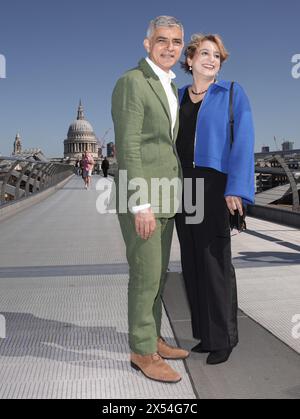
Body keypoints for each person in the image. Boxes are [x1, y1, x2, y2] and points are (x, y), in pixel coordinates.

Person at [111, 16, 189, 383]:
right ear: (147, 44)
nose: (170, 47)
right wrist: (140, 203)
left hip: (167, 195)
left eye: (176, 41)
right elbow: (128, 148)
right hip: (144, 197)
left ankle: (153, 337)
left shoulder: (170, 87)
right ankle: (143, 352)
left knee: (158, 274)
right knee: (144, 275)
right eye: (162, 40)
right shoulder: (132, 83)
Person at [175, 34, 255, 365]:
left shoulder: (232, 93)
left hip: (215, 183)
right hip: (183, 186)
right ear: (190, 60)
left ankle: (224, 338)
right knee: (192, 261)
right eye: (204, 53)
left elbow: (244, 140)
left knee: (216, 262)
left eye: (217, 55)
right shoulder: (176, 97)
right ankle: (205, 336)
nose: (212, 59)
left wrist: (236, 187)